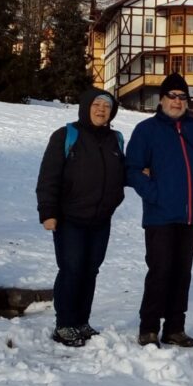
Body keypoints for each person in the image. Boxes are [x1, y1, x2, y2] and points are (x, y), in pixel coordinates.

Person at [126, 73, 193, 348]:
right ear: (162, 99)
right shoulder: (146, 130)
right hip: (160, 216)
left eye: (182, 97)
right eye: (172, 96)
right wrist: (155, 194)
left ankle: (175, 327)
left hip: (191, 217)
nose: (177, 102)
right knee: (160, 270)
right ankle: (149, 327)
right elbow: (131, 170)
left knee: (182, 272)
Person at [36, 88, 125, 347]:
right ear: (85, 107)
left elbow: (121, 173)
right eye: (96, 105)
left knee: (90, 270)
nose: (101, 110)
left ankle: (81, 321)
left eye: (106, 107)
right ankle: (64, 324)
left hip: (100, 219)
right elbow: (48, 177)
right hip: (69, 218)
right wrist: (48, 213)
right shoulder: (66, 135)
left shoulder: (115, 139)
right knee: (72, 269)